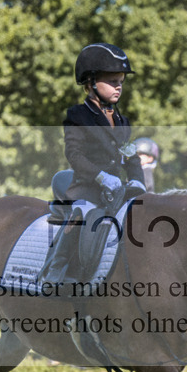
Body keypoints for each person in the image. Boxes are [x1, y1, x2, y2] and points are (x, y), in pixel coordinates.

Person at [41, 43, 146, 285]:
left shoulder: (122, 120)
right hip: (87, 187)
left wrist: (137, 179)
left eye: (121, 80)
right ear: (91, 83)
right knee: (84, 215)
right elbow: (75, 156)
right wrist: (101, 176)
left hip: (117, 191)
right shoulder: (78, 116)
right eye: (112, 81)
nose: (118, 86)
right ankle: (56, 272)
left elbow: (129, 154)